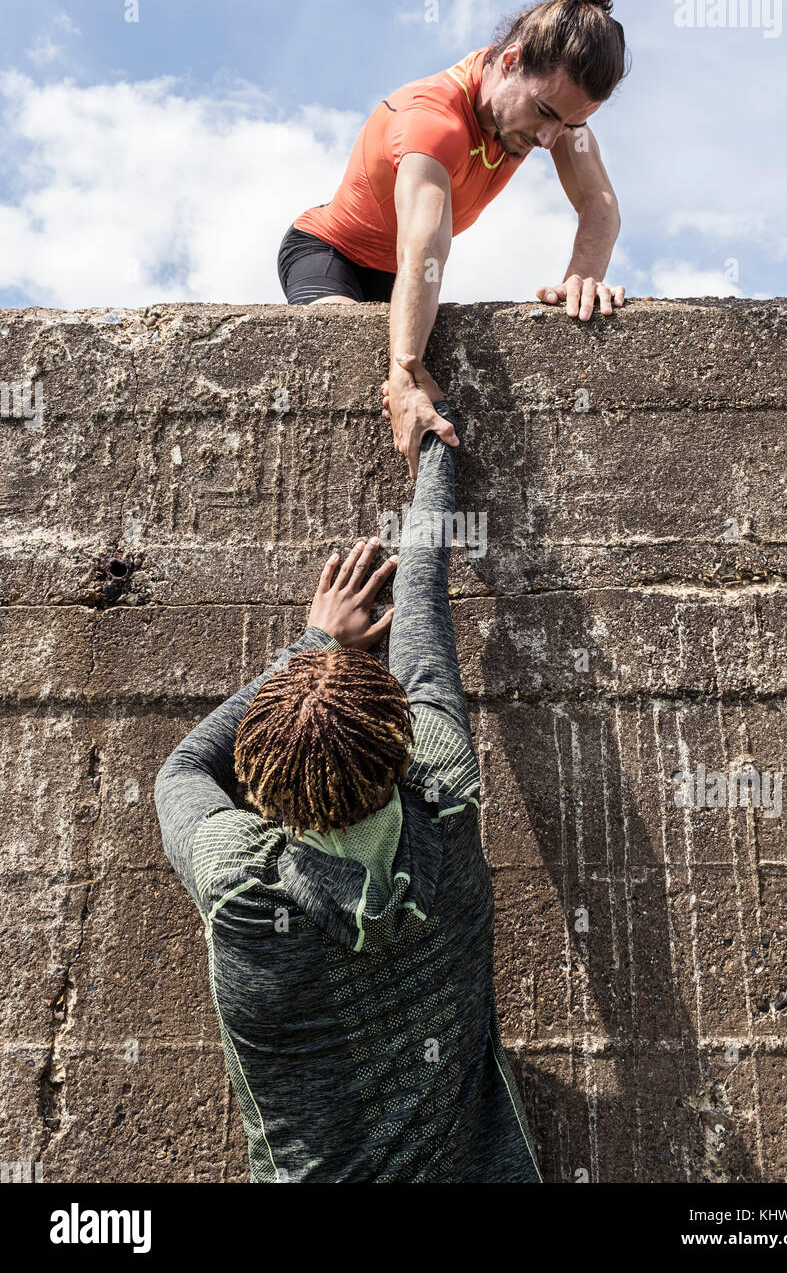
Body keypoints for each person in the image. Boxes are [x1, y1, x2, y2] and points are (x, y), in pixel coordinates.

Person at [154, 355, 543, 1184]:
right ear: (396, 740)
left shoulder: (240, 882)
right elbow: (424, 605)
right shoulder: (443, 796)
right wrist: (431, 447)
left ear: (257, 776)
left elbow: (185, 766)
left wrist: (314, 643)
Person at [278, 0, 629, 479]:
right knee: (352, 360)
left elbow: (598, 201)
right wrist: (404, 373)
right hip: (332, 255)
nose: (550, 140)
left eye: (572, 125)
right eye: (547, 116)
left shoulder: (551, 112)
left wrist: (584, 275)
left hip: (404, 278)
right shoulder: (433, 120)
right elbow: (424, 251)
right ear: (510, 61)